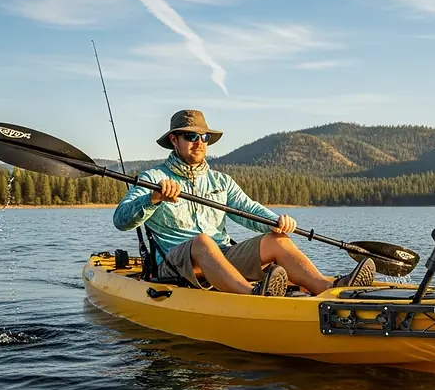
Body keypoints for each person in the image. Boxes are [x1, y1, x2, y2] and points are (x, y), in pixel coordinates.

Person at [113, 109, 376, 297]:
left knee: (277, 240)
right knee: (203, 241)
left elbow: (248, 209)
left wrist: (277, 222)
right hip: (175, 264)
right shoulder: (153, 178)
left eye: (203, 137)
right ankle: (252, 293)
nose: (199, 143)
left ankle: (327, 287)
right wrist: (153, 198)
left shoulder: (221, 181)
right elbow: (121, 220)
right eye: (191, 137)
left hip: (222, 257)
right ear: (174, 140)